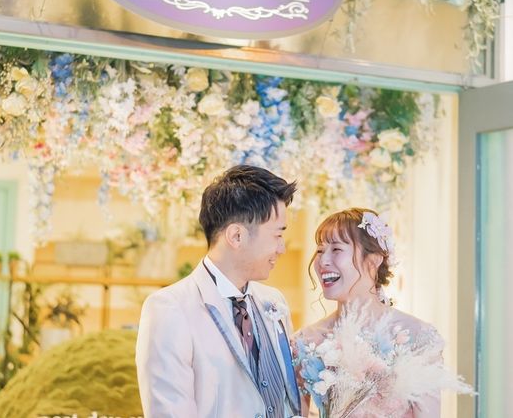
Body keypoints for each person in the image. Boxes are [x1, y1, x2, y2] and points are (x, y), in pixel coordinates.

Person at [136, 165, 302, 418]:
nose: (282, 249)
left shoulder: (274, 302)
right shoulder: (170, 308)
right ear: (236, 236)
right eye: (277, 235)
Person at [293, 208, 469, 418]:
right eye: (320, 250)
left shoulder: (418, 337)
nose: (323, 261)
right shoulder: (307, 341)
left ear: (374, 259)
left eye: (336, 249)